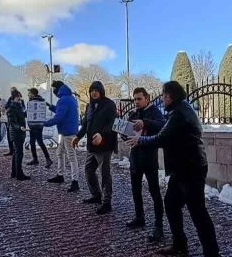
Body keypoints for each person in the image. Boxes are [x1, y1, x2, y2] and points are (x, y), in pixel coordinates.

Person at [126, 81, 222, 257]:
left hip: (191, 169)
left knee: (199, 215)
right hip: (182, 168)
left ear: (171, 96)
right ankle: (180, 244)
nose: (162, 98)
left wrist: (139, 140)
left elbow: (162, 137)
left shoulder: (179, 113)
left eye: (164, 95)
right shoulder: (179, 109)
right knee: (171, 204)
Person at [125, 87, 165, 242]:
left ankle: (158, 225)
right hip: (135, 158)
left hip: (149, 158)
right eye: (134, 99)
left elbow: (162, 126)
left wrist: (145, 123)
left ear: (147, 99)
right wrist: (124, 134)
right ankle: (139, 217)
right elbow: (126, 133)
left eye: (139, 99)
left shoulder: (155, 111)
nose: (136, 102)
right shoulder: (132, 114)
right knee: (135, 190)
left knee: (154, 192)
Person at [73, 81, 117, 214]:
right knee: (89, 170)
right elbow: (86, 124)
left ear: (101, 91)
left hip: (105, 145)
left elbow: (112, 123)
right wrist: (78, 136)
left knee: (105, 173)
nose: (94, 92)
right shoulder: (89, 106)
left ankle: (106, 202)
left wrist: (102, 134)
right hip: (92, 145)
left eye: (97, 90)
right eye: (92, 90)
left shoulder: (109, 105)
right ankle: (96, 195)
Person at [45, 82, 81, 193]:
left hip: (67, 133)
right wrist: (50, 106)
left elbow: (59, 117)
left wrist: (44, 123)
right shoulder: (70, 98)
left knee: (71, 156)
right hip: (68, 131)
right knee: (60, 153)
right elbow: (61, 111)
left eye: (54, 89)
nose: (54, 91)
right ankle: (60, 175)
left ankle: (75, 181)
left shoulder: (63, 100)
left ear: (58, 89)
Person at [26, 88, 53, 168]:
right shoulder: (42, 101)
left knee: (39, 142)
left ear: (33, 94)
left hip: (34, 125)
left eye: (29, 94)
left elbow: (27, 113)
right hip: (38, 125)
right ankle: (36, 159)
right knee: (33, 142)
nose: (28, 95)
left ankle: (47, 159)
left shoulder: (31, 103)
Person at [7, 90, 30, 180]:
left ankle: (14, 172)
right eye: (18, 97)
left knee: (16, 152)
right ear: (13, 98)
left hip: (20, 132)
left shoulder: (19, 106)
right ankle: (19, 174)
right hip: (16, 133)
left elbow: (23, 115)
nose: (20, 99)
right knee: (19, 153)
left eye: (20, 97)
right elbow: (12, 123)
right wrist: (20, 127)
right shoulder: (11, 108)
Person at [2, 87, 21, 156]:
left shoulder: (20, 99)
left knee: (15, 137)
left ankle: (14, 150)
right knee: (9, 136)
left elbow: (23, 109)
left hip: (17, 122)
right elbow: (6, 107)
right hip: (10, 120)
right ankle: (11, 150)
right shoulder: (10, 99)